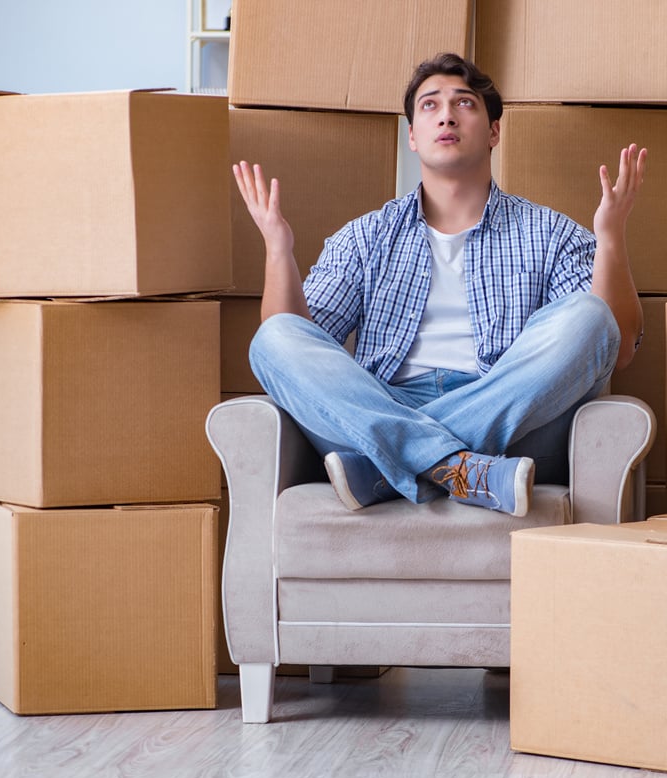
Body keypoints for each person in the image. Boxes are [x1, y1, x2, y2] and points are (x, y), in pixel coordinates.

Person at [233, 52, 646, 518]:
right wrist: (278, 250)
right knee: (273, 337)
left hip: (510, 416)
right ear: (412, 135)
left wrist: (610, 237)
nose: (446, 114)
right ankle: (457, 467)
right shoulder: (364, 236)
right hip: (386, 401)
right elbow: (299, 346)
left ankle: (385, 468)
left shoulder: (550, 232)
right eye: (429, 105)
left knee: (590, 316)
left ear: (494, 132)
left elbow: (617, 347)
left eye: (464, 103)